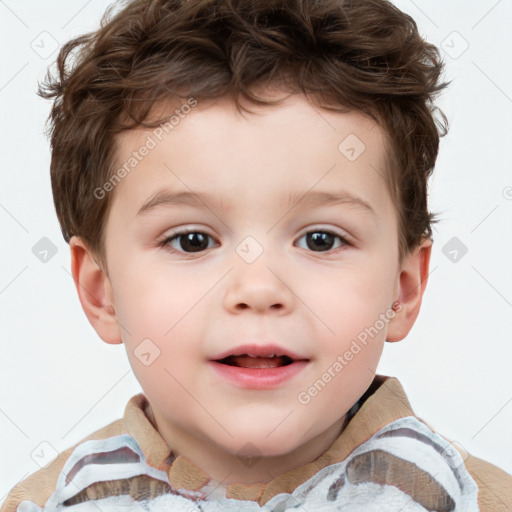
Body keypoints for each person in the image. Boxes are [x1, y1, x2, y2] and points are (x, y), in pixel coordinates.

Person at [2, 0, 511, 510]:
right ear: (101, 292)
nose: (259, 289)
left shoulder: (475, 499)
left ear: (403, 290)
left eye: (321, 239)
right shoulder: (47, 502)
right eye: (192, 240)